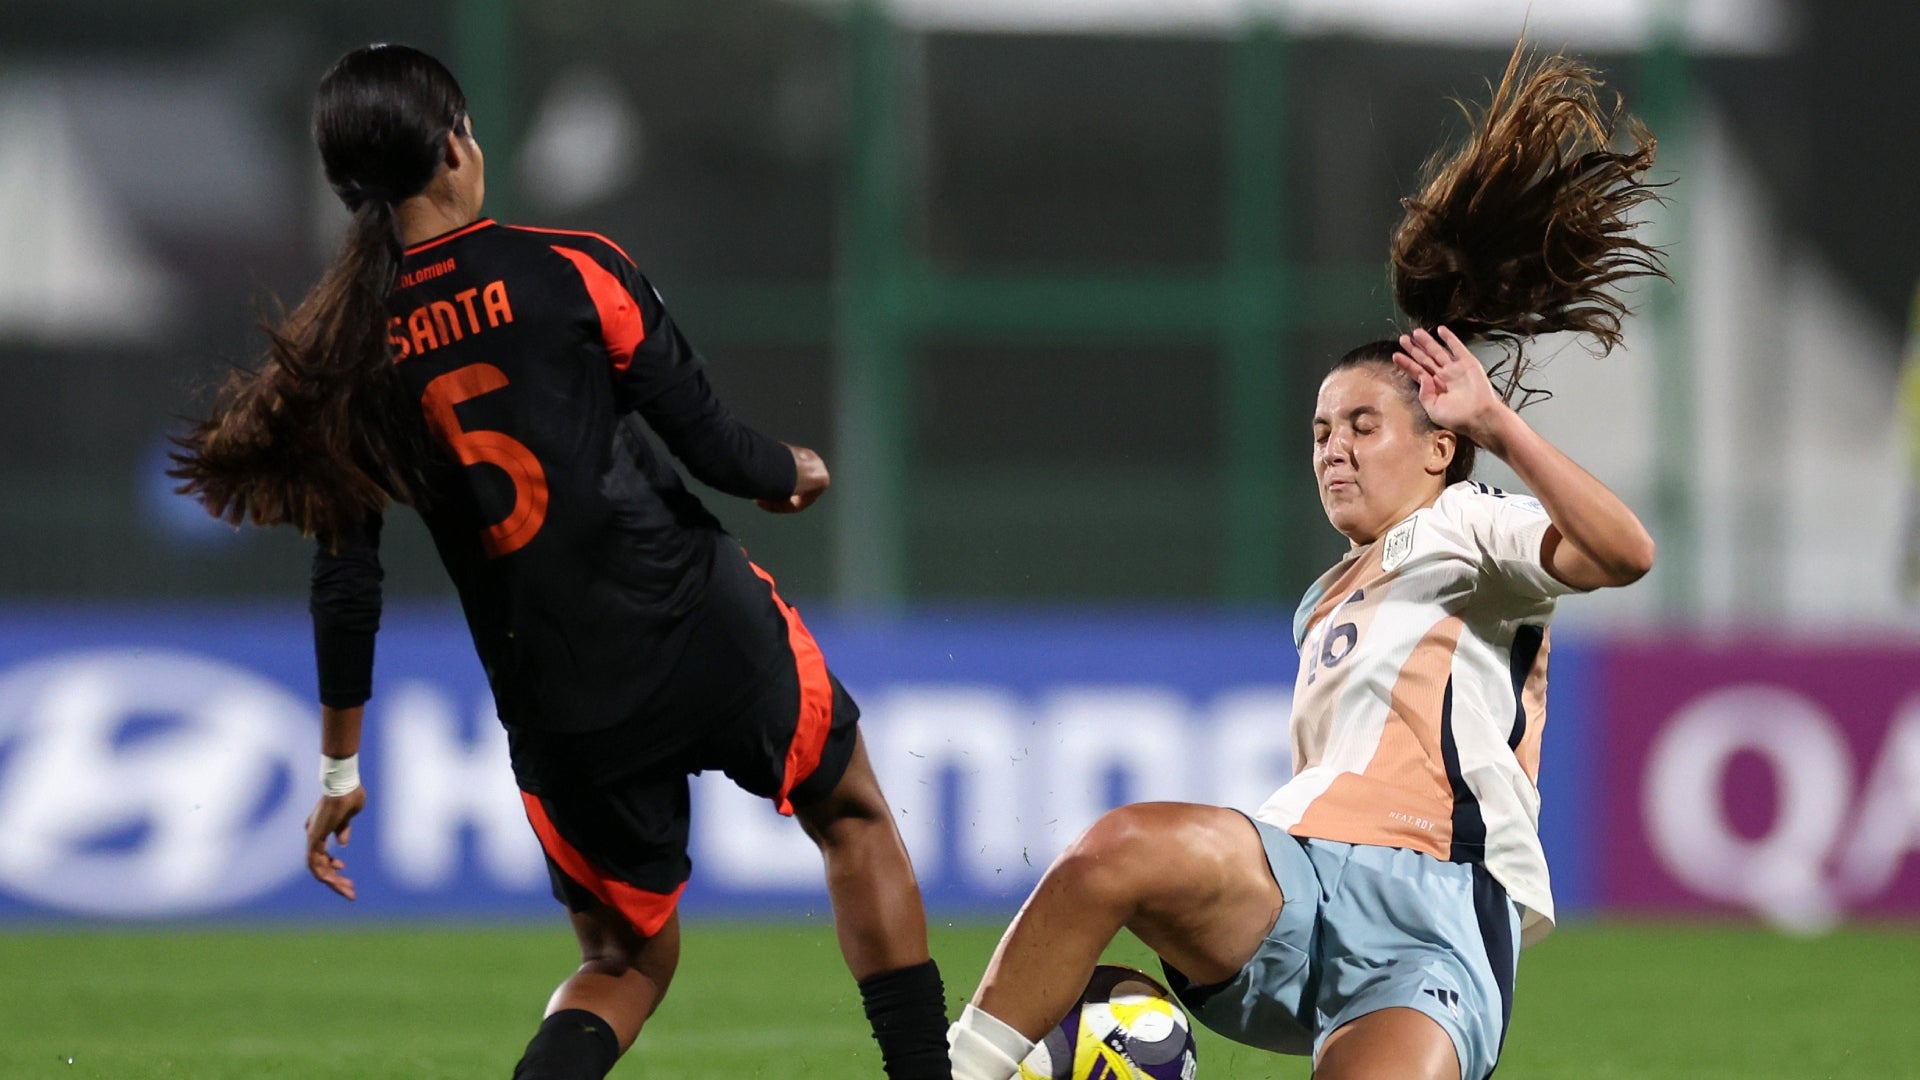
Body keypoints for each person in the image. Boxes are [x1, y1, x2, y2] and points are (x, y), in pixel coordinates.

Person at [171, 44, 951, 1080]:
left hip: (562, 697)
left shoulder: (348, 359)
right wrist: (793, 470)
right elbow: (718, 450)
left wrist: (339, 769)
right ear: (454, 147)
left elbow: (347, 586)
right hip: (698, 622)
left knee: (622, 963)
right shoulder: (571, 267)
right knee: (850, 818)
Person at [947, 43, 1664, 1080]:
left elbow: (1626, 552)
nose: (1333, 447)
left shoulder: (1475, 527)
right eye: (1321, 429)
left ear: (1439, 447)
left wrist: (1499, 426)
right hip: (1294, 886)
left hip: (1436, 919)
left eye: (1363, 425)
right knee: (1118, 850)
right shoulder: (1327, 595)